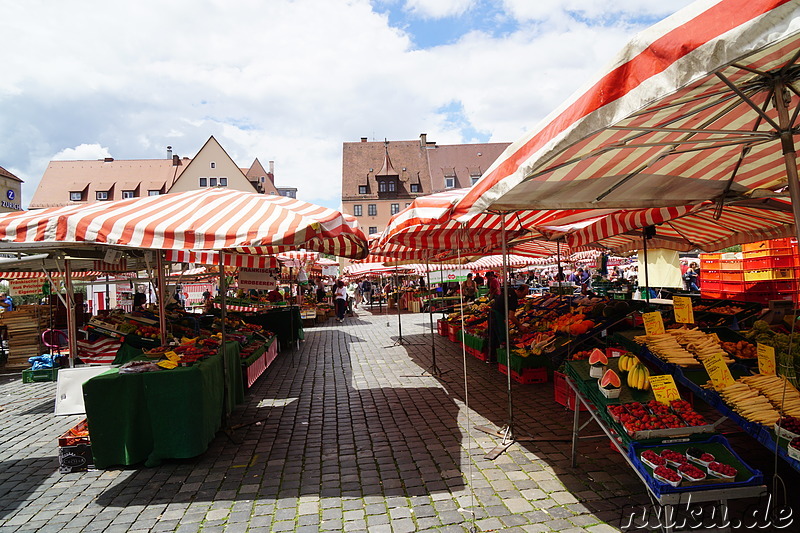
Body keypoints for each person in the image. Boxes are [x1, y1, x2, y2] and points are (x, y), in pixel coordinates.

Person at [488, 284, 530, 363]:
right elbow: (511, 316)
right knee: (501, 337)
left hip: (492, 313)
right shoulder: (513, 299)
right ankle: (501, 358)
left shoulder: (510, 290)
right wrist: (520, 326)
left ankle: (492, 358)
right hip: (497, 316)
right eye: (524, 294)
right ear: (520, 291)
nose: (524, 296)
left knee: (493, 336)